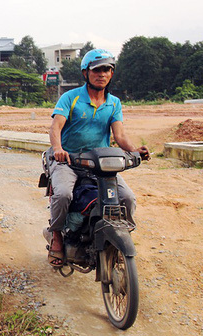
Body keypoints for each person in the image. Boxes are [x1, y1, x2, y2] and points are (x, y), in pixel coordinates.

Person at [47, 49, 150, 266]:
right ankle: (56, 235)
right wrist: (58, 148)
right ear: (86, 73)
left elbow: (119, 135)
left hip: (100, 164)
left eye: (107, 69)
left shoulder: (114, 103)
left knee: (128, 198)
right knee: (64, 193)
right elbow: (56, 127)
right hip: (69, 161)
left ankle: (120, 240)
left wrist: (135, 151)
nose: (101, 74)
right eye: (97, 70)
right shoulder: (71, 98)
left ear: (111, 74)